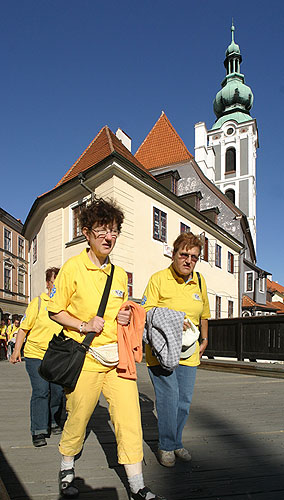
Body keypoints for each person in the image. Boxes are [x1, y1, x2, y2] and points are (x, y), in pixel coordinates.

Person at [47, 198, 166, 500]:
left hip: (118, 359)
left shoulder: (120, 273)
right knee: (78, 416)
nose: (108, 236)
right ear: (86, 233)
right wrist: (84, 325)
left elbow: (120, 312)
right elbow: (54, 311)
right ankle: (66, 465)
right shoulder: (73, 267)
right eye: (101, 230)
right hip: (85, 357)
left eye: (112, 230)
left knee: (129, 418)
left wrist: (125, 315)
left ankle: (137, 485)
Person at [141, 232, 210, 468]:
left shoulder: (199, 281)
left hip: (189, 351)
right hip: (161, 352)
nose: (188, 260)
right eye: (184, 255)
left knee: (183, 401)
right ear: (173, 254)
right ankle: (167, 446)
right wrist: (172, 318)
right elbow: (146, 310)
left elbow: (204, 314)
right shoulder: (158, 279)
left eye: (194, 257)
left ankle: (176, 441)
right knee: (168, 398)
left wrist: (205, 339)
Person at [10, 268, 64, 447]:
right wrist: (17, 350)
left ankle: (54, 420)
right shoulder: (38, 303)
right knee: (42, 391)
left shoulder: (66, 304)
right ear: (48, 283)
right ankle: (39, 429)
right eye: (55, 281)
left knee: (57, 391)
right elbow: (23, 328)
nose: (58, 285)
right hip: (35, 355)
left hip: (56, 357)